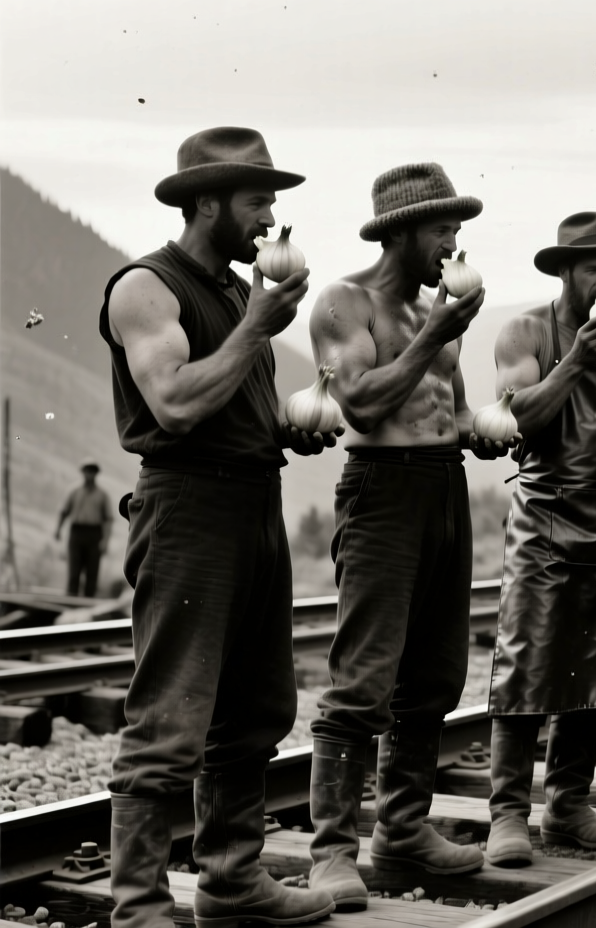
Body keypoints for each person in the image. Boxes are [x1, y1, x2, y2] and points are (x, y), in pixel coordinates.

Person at [98, 126, 338, 928]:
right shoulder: (145, 288)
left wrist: (288, 429)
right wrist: (258, 327)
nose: (272, 219)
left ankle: (231, 882)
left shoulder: (241, 294)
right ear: (207, 202)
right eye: (258, 201)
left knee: (256, 707)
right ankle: (136, 909)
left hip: (251, 503)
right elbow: (174, 403)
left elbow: (232, 406)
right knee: (170, 717)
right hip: (187, 510)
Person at [302, 163, 514, 908]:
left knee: (435, 674)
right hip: (382, 492)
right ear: (402, 232)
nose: (453, 245)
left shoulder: (436, 312)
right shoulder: (343, 303)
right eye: (443, 230)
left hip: (441, 486)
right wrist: (432, 336)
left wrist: (481, 433)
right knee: (363, 679)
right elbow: (359, 404)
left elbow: (447, 414)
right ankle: (331, 852)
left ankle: (402, 828)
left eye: (458, 230)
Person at [485, 212, 596, 864]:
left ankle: (566, 804)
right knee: (527, 662)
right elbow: (514, 420)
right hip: (544, 513)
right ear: (565, 270)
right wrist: (574, 361)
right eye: (595, 267)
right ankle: (507, 814)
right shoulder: (526, 331)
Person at [56, 460, 112, 598]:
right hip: (77, 532)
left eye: (92, 471)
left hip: (94, 533)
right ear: (83, 472)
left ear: (96, 474)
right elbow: (64, 511)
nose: (89, 474)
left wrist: (105, 540)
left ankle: (87, 603)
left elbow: (108, 519)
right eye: (87, 471)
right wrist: (58, 529)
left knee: (92, 571)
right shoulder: (74, 491)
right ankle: (70, 601)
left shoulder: (102, 495)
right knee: (74, 569)